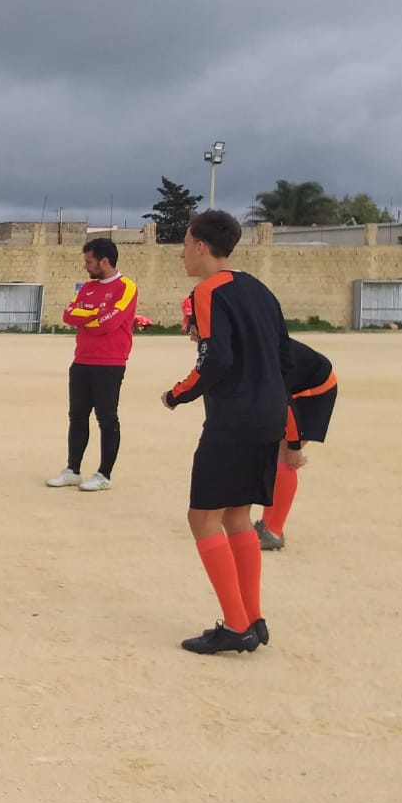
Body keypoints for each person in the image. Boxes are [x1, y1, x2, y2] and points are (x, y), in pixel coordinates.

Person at [162, 210, 295, 655]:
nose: (181, 252)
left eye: (184, 244)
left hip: (234, 419)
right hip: (267, 415)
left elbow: (214, 358)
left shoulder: (207, 290)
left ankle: (237, 626)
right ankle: (253, 619)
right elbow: (285, 357)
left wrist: (177, 393)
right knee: (237, 515)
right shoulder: (259, 289)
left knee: (202, 517)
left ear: (201, 246)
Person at [46, 237, 137, 491]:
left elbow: (109, 323)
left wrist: (87, 317)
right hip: (81, 361)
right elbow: (68, 314)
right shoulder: (86, 288)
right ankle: (72, 469)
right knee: (77, 417)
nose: (86, 266)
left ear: (104, 261)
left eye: (89, 261)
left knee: (107, 419)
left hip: (110, 363)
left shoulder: (126, 287)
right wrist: (94, 315)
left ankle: (104, 474)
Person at [255, 339, 336, 552]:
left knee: (284, 454)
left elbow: (285, 402)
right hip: (292, 387)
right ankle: (266, 525)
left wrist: (294, 446)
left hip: (314, 390)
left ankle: (273, 532)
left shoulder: (261, 352)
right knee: (271, 451)